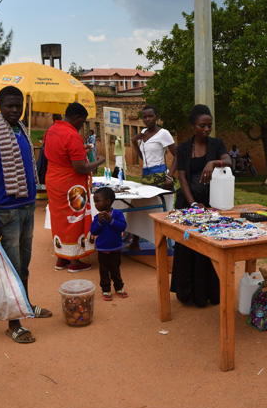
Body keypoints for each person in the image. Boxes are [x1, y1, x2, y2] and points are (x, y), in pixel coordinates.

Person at [0, 86, 52, 344]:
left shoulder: (21, 130)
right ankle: (14, 323)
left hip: (27, 207)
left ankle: (26, 306)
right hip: (5, 213)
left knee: (25, 265)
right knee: (13, 268)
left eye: (18, 106)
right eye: (9, 105)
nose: (14, 110)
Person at [170, 104, 232, 307]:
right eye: (202, 125)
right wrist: (194, 204)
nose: (206, 129)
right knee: (189, 248)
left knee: (211, 246)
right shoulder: (183, 148)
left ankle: (211, 293)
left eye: (209, 125)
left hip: (213, 205)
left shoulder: (217, 144)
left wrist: (213, 162)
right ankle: (188, 294)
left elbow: (229, 161)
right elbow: (182, 177)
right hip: (189, 203)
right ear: (192, 126)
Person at [45, 102, 105, 272]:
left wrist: (81, 149)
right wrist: (98, 162)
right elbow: (80, 167)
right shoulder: (72, 135)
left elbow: (62, 153)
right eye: (82, 122)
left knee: (60, 219)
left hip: (54, 181)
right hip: (71, 184)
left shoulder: (52, 129)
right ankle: (75, 261)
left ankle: (61, 257)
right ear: (76, 117)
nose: (82, 126)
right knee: (75, 219)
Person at [128, 104, 178, 249]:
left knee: (161, 210)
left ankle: (167, 245)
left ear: (156, 116)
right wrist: (134, 141)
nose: (147, 119)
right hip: (146, 178)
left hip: (160, 178)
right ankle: (135, 242)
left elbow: (177, 155)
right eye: (144, 117)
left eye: (151, 116)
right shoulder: (142, 132)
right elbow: (143, 157)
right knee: (138, 207)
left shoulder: (164, 133)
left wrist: (170, 176)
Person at [90, 187, 129, 301]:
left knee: (115, 270)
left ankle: (119, 288)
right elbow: (93, 231)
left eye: (98, 201)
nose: (96, 204)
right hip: (102, 250)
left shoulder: (117, 214)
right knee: (104, 271)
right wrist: (100, 222)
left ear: (108, 201)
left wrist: (110, 220)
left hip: (115, 249)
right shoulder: (97, 217)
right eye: (95, 202)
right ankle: (106, 290)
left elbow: (122, 227)